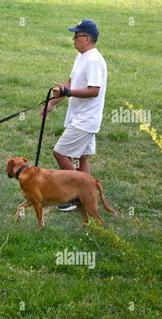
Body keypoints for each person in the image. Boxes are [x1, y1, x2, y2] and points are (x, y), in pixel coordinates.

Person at [43, 19, 107, 212]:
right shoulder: (82, 57)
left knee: (60, 153)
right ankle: (86, 195)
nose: (73, 39)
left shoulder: (94, 60)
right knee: (82, 158)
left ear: (87, 38)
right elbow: (70, 83)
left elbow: (94, 90)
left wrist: (68, 93)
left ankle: (75, 195)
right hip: (80, 117)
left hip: (86, 119)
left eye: (77, 35)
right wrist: (52, 103)